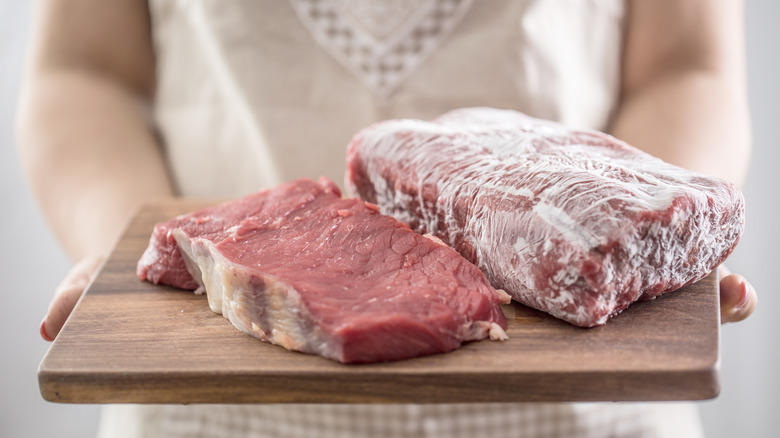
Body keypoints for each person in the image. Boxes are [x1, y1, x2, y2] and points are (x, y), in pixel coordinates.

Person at [18, 0, 757, 437]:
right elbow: (84, 71)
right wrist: (113, 241)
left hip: (582, 405)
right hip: (214, 400)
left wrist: (653, 231)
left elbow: (685, 63)